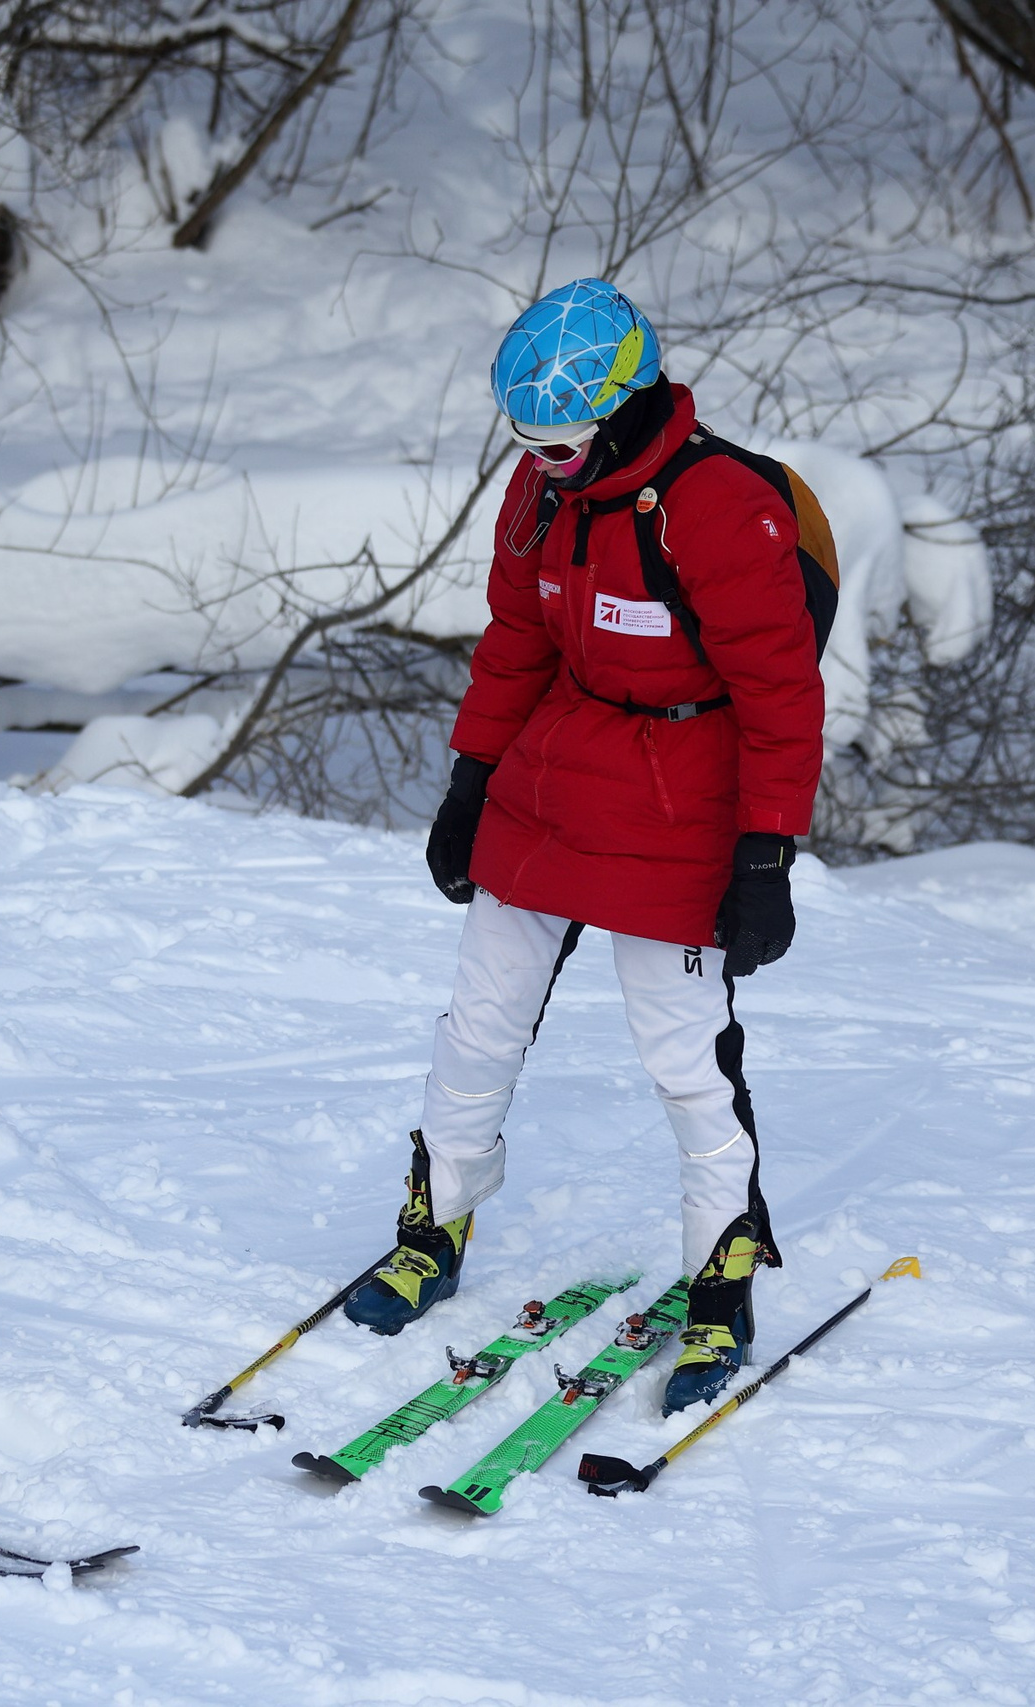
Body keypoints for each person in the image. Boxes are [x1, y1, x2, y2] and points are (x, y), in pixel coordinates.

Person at [342, 278, 824, 1414]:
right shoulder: (543, 494)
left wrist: (765, 854)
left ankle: (722, 1279)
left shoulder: (716, 508)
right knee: (479, 1022)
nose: (542, 460)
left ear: (619, 410)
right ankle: (435, 1225)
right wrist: (469, 783)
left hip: (687, 797)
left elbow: (779, 693)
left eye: (559, 442)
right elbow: (515, 642)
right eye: (526, 442)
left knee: (683, 1062)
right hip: (557, 776)